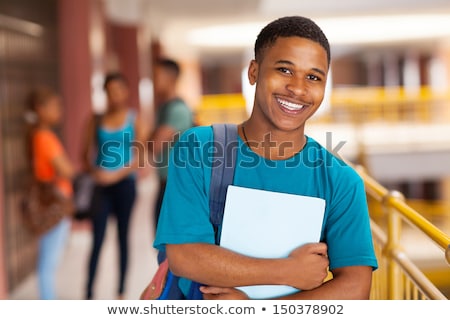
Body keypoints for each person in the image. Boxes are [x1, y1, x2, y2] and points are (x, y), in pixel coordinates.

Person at [153, 16, 378, 300]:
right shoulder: (198, 148)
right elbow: (184, 256)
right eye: (285, 70)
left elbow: (356, 287)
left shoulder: (341, 181)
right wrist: (287, 271)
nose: (298, 88)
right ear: (253, 72)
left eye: (313, 77)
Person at [81, 72, 149, 300]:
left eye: (119, 90)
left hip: (125, 187)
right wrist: (97, 173)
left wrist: (116, 175)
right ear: (105, 94)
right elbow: (85, 155)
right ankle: (88, 293)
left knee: (122, 237)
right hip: (101, 187)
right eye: (110, 91)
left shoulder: (134, 119)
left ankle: (120, 291)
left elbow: (140, 158)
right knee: (97, 239)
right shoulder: (96, 120)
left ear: (126, 91)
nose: (115, 95)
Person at [25, 86, 75, 299]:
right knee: (48, 261)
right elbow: (66, 170)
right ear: (40, 109)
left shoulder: (36, 135)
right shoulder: (44, 137)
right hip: (54, 202)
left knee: (48, 258)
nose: (59, 111)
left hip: (50, 200)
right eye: (54, 107)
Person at [149, 58, 194, 234]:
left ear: (171, 78)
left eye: (157, 76)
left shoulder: (177, 110)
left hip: (175, 186)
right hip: (165, 184)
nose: (153, 81)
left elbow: (155, 146)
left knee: (169, 246)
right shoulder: (164, 109)